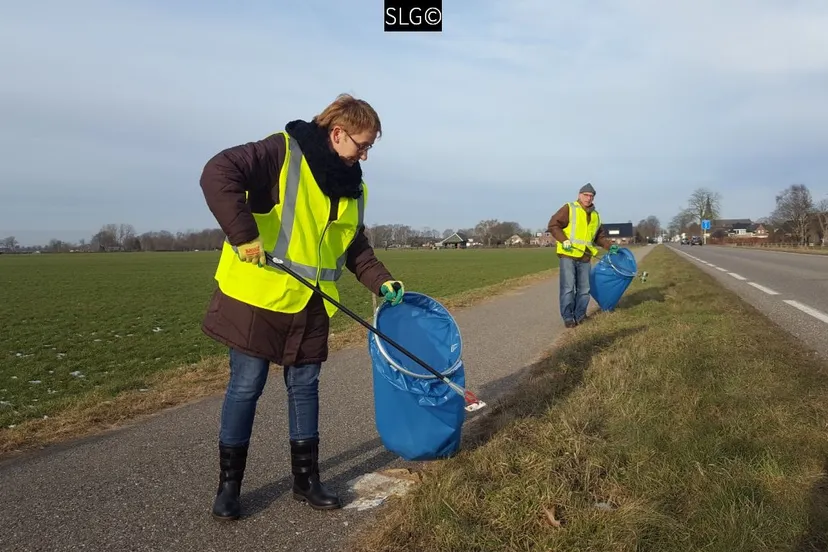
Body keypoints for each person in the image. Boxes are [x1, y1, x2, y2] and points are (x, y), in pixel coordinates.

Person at [198, 93, 406, 521]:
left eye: (370, 147)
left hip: (311, 305)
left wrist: (382, 280)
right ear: (337, 133)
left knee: (305, 388)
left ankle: (306, 481)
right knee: (245, 387)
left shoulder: (354, 186)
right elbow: (217, 172)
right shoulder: (282, 151)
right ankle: (229, 487)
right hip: (257, 298)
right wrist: (242, 234)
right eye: (362, 144)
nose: (366, 154)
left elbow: (353, 246)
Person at [547, 183, 617, 327]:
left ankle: (580, 315)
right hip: (568, 254)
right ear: (579, 195)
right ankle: (568, 317)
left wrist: (610, 246)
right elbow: (553, 225)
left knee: (585, 289)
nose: (588, 198)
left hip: (585, 256)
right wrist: (563, 240)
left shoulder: (596, 215)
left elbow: (599, 237)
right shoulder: (569, 208)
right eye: (586, 195)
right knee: (568, 288)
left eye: (591, 196)